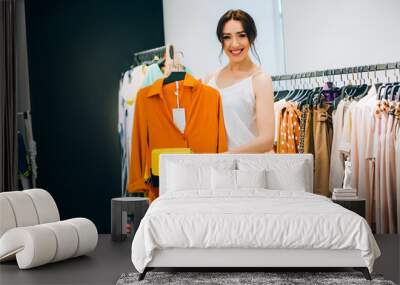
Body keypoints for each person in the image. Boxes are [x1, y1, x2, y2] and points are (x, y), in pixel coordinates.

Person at [204, 9, 275, 153]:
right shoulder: (210, 80)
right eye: (227, 37)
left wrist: (226, 157)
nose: (234, 44)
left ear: (251, 37)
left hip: (251, 169)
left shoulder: (260, 80)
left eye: (241, 35)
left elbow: (267, 140)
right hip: (219, 168)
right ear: (221, 40)